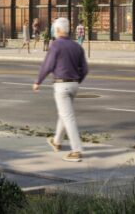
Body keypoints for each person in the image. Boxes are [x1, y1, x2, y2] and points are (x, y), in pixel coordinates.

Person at [32, 17, 88, 162]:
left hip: (61, 85)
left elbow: (48, 65)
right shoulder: (77, 46)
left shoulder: (56, 45)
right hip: (74, 85)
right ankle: (57, 141)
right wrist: (77, 81)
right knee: (64, 113)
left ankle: (76, 150)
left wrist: (38, 81)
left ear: (57, 30)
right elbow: (85, 69)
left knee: (67, 116)